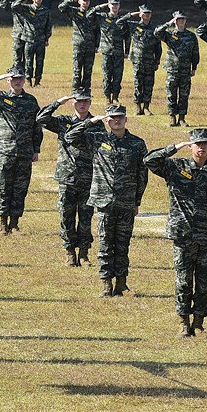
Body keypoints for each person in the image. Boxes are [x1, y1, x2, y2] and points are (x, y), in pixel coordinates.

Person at [144, 128, 207, 338]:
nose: (201, 147)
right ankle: (183, 322)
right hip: (182, 234)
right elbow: (149, 160)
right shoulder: (175, 166)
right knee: (183, 280)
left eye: (204, 143)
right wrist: (173, 148)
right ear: (190, 146)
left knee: (203, 282)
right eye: (196, 144)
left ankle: (198, 324)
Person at [65, 104, 148, 297]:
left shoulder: (137, 143)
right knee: (105, 244)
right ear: (106, 120)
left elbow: (142, 174)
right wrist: (89, 121)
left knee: (122, 244)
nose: (116, 121)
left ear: (126, 119)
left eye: (120, 117)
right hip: (104, 202)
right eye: (112, 118)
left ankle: (121, 283)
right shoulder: (97, 140)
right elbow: (70, 138)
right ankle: (106, 283)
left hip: (126, 202)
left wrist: (137, 201)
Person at [36, 89, 104, 267]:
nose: (82, 104)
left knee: (85, 217)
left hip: (88, 177)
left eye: (85, 101)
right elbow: (41, 118)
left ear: (90, 103)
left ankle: (83, 253)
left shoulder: (96, 124)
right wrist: (58, 102)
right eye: (78, 101)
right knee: (66, 216)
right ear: (73, 102)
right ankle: (69, 252)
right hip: (67, 177)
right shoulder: (64, 122)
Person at [0, 67, 41, 235]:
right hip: (6, 151)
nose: (17, 81)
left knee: (20, 189)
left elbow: (36, 127)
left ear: (24, 80)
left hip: (25, 152)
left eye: (20, 78)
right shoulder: (0, 98)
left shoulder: (31, 101)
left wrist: (36, 149)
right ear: (8, 80)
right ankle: (3, 223)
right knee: (4, 187)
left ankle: (15, 223)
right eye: (13, 78)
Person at [155, 12, 199, 127]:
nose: (181, 21)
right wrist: (168, 23)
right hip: (172, 70)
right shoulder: (169, 34)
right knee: (171, 94)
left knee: (184, 95)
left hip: (185, 70)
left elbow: (195, 53)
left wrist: (194, 67)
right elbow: (157, 33)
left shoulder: (191, 36)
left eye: (183, 19)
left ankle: (182, 118)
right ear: (175, 20)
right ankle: (172, 117)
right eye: (178, 19)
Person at [118, 5, 162, 115]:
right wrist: (131, 14)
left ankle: (146, 107)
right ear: (140, 14)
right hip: (137, 60)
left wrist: (157, 61)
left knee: (148, 84)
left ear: (151, 14)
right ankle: (138, 106)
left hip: (150, 61)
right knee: (138, 84)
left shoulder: (154, 28)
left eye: (148, 13)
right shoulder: (134, 26)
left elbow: (158, 46)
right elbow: (119, 22)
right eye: (144, 12)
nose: (146, 14)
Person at [88, 0, 129, 104]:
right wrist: (99, 7)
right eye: (112, 4)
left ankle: (115, 96)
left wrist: (127, 51)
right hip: (106, 51)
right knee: (107, 75)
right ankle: (107, 96)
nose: (114, 6)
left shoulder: (123, 19)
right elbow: (89, 15)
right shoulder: (103, 17)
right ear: (109, 5)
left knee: (117, 76)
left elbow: (127, 36)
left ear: (119, 6)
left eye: (117, 4)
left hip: (119, 52)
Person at [58, 0, 99, 90]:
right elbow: (61, 6)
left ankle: (86, 90)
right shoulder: (74, 12)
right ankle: (76, 89)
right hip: (78, 44)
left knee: (88, 69)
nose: (85, 2)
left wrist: (97, 45)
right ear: (79, 1)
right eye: (83, 0)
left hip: (90, 45)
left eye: (87, 0)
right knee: (77, 68)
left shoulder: (93, 14)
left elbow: (98, 31)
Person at [0, 0, 31, 69]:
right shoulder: (14, 6)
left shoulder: (31, 6)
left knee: (27, 58)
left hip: (29, 35)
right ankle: (16, 74)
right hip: (18, 35)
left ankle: (25, 76)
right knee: (17, 57)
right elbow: (2, 4)